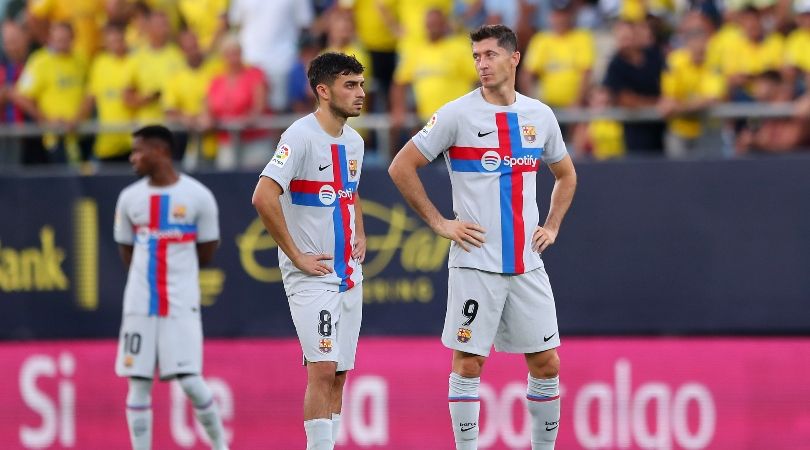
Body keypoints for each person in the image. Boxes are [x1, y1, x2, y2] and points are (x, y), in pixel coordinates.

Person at [388, 25, 577, 450]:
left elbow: (565, 174)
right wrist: (440, 223)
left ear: (514, 59)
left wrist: (552, 225)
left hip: (527, 263)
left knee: (547, 364)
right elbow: (401, 166)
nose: (482, 64)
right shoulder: (457, 114)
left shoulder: (539, 116)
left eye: (490, 55)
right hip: (476, 262)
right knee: (469, 363)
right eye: (476, 56)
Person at [252, 52, 366, 450]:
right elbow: (263, 196)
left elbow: (349, 191)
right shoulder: (298, 137)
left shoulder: (355, 142)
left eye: (361, 84)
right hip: (311, 277)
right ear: (323, 90)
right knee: (321, 368)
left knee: (338, 374)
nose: (360, 93)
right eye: (349, 85)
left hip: (349, 273)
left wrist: (361, 231)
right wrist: (297, 255)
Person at [113, 125, 228, 450]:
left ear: (160, 151)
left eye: (138, 151)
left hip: (180, 304)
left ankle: (221, 445)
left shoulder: (198, 196)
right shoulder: (129, 199)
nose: (133, 158)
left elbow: (207, 249)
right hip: (139, 305)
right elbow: (127, 252)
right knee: (138, 383)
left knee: (191, 382)